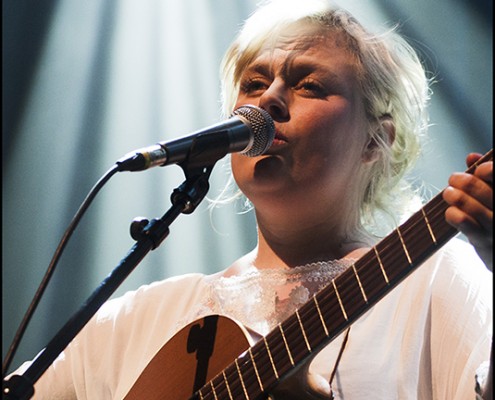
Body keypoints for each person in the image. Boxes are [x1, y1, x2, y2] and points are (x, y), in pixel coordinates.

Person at [6, 0, 492, 398]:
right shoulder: (146, 316)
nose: (269, 101)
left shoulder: (435, 278)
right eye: (254, 84)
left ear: (375, 140)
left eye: (310, 85)